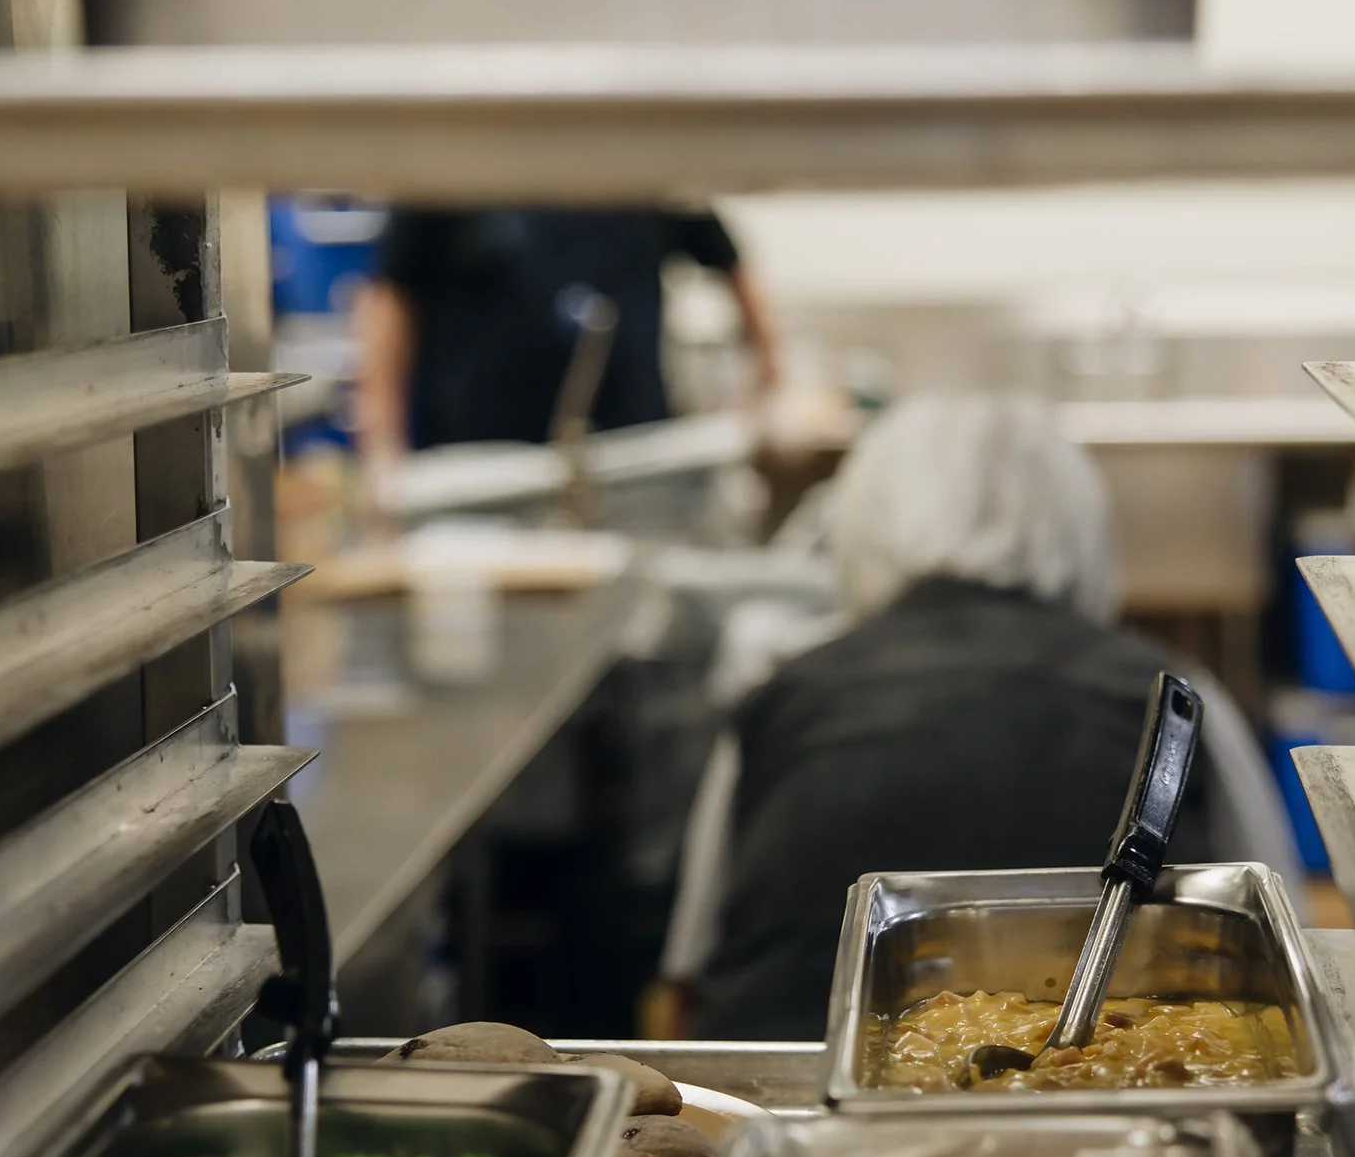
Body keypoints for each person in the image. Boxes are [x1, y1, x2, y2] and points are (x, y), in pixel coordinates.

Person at [679, 394, 1302, 1041]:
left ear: (863, 527)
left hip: (786, 1099)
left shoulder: (781, 697)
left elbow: (687, 970)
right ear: (1080, 530)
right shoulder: (1172, 694)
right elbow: (1288, 939)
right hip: (1121, 1100)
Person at [352, 207, 780, 466]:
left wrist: (773, 382)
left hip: (634, 458)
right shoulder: (462, 157)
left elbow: (728, 260)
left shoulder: (637, 152)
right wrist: (381, 449)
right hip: (481, 462)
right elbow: (392, 295)